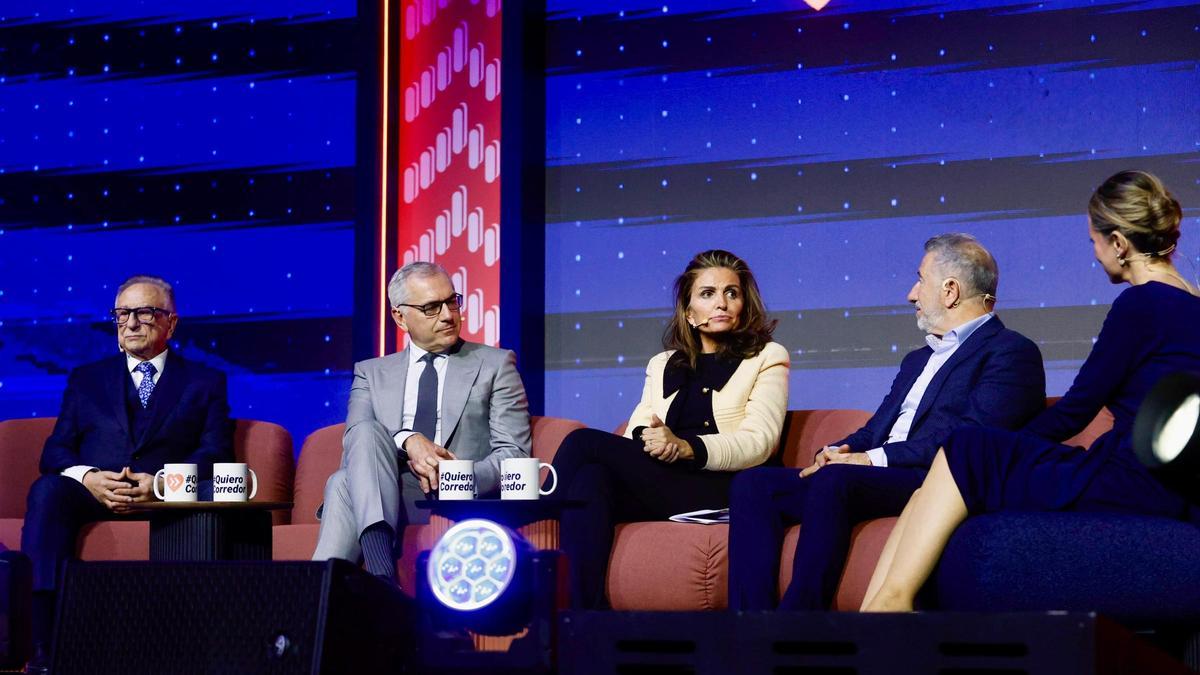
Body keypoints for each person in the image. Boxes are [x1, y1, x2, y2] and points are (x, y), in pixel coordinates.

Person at [862, 171, 1200, 612]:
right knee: (960, 458)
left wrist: (1005, 445)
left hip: (1136, 481)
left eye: (1095, 242)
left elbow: (1074, 411)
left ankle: (888, 605)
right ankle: (880, 606)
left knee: (970, 448)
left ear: (1118, 242)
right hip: (1174, 485)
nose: (1095, 255)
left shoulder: (1140, 305)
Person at [727, 234, 1046, 611]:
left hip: (933, 482)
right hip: (874, 476)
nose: (912, 294)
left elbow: (968, 440)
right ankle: (748, 625)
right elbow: (876, 429)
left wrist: (870, 460)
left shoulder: (1010, 352)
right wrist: (838, 451)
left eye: (920, 280)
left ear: (950, 291)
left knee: (836, 481)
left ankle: (798, 623)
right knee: (755, 484)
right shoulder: (917, 359)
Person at [552, 249, 790, 609]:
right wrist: (655, 443)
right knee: (590, 479)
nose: (721, 303)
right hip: (666, 482)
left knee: (582, 443)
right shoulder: (663, 364)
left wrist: (685, 447)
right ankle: (583, 618)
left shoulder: (767, 357)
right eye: (708, 294)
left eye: (732, 293)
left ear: (745, 304)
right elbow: (637, 427)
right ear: (689, 310)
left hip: (726, 488)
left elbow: (760, 443)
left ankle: (533, 523)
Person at [22, 275, 233, 671]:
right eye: (122, 314)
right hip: (94, 493)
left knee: (208, 500)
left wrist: (161, 484)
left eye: (144, 313)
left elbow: (216, 454)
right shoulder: (86, 379)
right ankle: (43, 645)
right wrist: (89, 478)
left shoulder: (205, 381)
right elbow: (56, 450)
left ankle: (185, 651)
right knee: (48, 490)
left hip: (163, 496)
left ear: (171, 322)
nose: (131, 323)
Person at [312, 261, 532, 582]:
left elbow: (514, 454)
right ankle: (381, 575)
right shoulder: (371, 372)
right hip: (388, 492)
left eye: (452, 301)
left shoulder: (495, 364)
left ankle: (325, 596)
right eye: (431, 307)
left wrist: (455, 476)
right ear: (399, 317)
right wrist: (407, 439)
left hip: (454, 495)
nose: (447, 315)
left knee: (342, 485)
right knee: (364, 437)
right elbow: (356, 443)